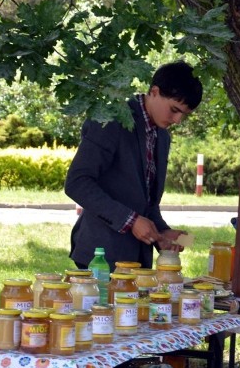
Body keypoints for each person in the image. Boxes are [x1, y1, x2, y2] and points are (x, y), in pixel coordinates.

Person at [65, 61, 202, 270]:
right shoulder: (111, 119)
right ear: (154, 91)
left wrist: (162, 234)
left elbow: (146, 201)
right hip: (100, 257)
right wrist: (131, 220)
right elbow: (77, 182)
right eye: (174, 110)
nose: (178, 120)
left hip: (138, 262)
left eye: (184, 114)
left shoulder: (162, 136)